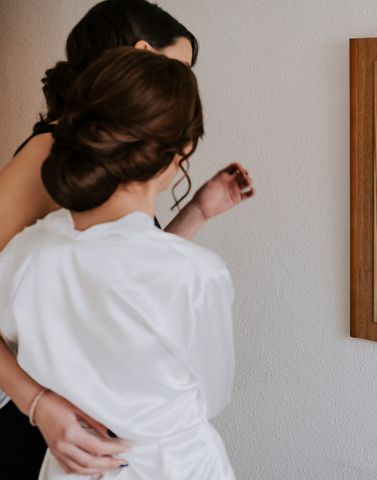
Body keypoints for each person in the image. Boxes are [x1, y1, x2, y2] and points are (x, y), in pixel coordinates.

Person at [0, 0, 252, 476]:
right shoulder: (51, 150)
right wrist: (36, 404)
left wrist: (196, 211)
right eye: (180, 73)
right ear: (140, 56)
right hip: (55, 426)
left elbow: (122, 275)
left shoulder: (97, 177)